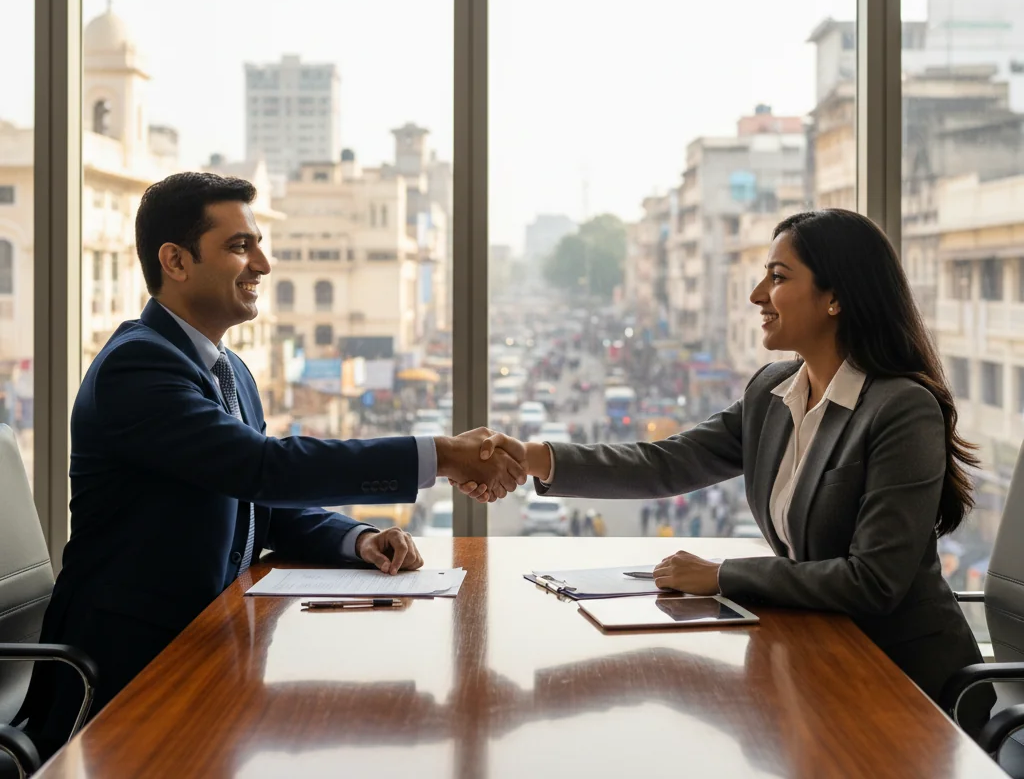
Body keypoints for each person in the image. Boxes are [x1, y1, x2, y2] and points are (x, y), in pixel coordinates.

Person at [19, 172, 526, 760]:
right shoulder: (138, 370)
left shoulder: (230, 370)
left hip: (212, 647)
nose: (264, 262)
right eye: (240, 246)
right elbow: (262, 468)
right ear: (176, 261)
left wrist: (356, 538)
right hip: (132, 667)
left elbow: (259, 501)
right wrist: (440, 455)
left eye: (259, 243)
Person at [460, 209, 993, 729]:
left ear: (835, 298)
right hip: (818, 657)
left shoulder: (901, 408)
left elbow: (872, 582)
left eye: (778, 277)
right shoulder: (771, 392)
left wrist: (719, 575)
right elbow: (665, 464)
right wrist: (531, 457)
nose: (757, 294)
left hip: (907, 684)